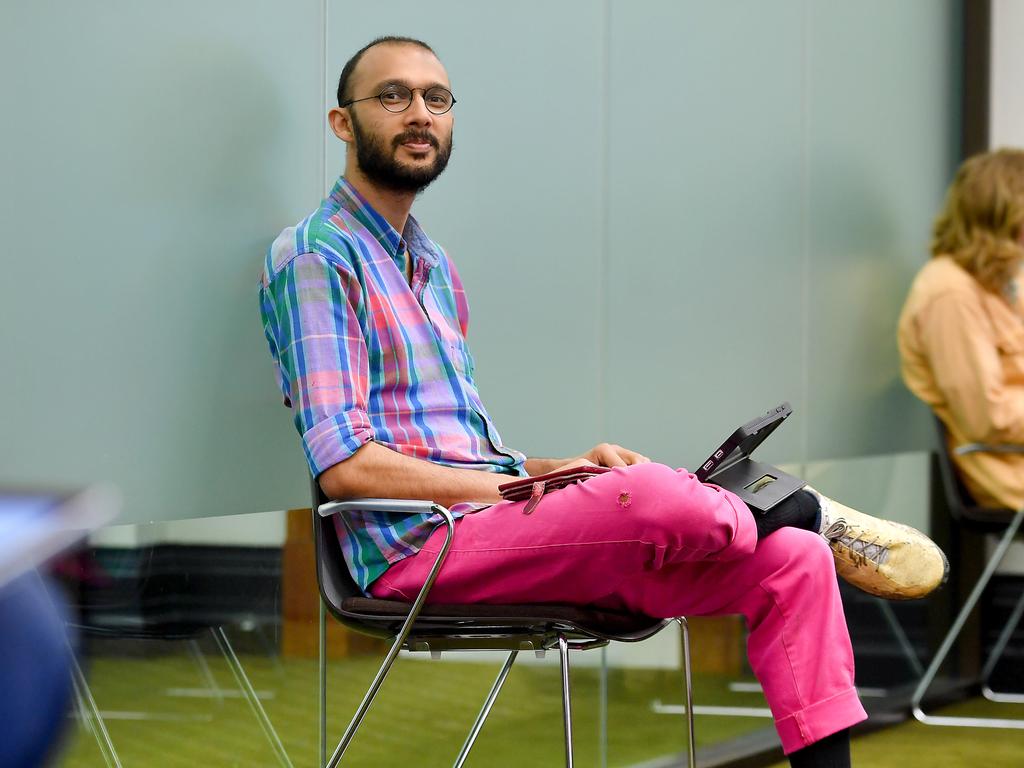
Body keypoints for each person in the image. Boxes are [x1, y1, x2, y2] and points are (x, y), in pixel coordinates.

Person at [260, 36, 947, 767]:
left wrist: (551, 469)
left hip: (489, 524)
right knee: (644, 492)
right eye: (393, 96)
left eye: (436, 98)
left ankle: (783, 521)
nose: (419, 114)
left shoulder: (433, 268)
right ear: (343, 122)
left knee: (797, 562)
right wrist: (510, 487)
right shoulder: (315, 256)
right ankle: (791, 503)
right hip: (417, 550)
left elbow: (457, 446)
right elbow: (346, 468)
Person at [899, 148, 1024, 512]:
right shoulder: (951, 292)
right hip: (1006, 468)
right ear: (1003, 214)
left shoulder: (998, 283)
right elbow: (987, 417)